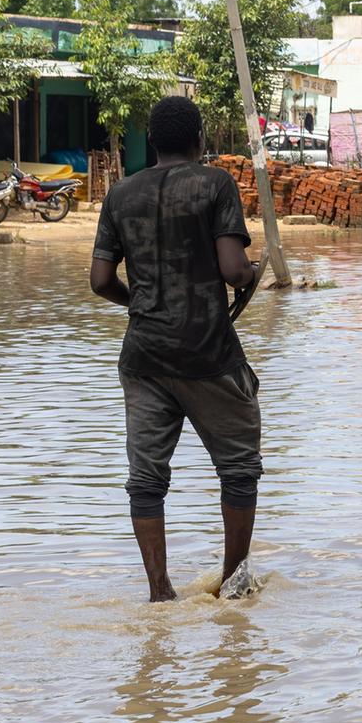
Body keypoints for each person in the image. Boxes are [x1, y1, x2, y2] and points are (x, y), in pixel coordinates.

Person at [88, 96, 263, 602]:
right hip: (208, 354)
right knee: (238, 469)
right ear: (199, 139)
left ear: (153, 140)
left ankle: (160, 592)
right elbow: (233, 270)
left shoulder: (120, 195)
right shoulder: (215, 184)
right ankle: (233, 584)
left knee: (145, 481)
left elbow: (101, 281)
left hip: (143, 359)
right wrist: (251, 274)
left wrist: (139, 304)